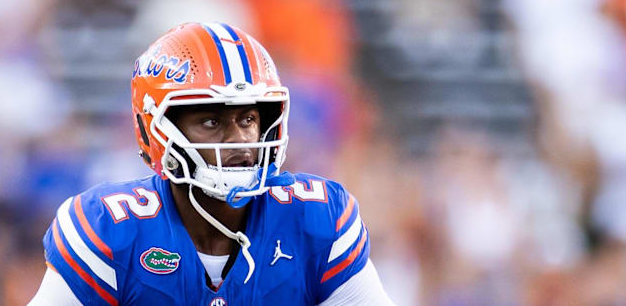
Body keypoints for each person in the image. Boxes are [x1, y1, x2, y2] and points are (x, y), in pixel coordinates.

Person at [28, 22, 395, 305]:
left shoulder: (316, 218)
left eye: (248, 120)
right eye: (211, 122)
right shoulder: (108, 230)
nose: (238, 139)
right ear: (155, 129)